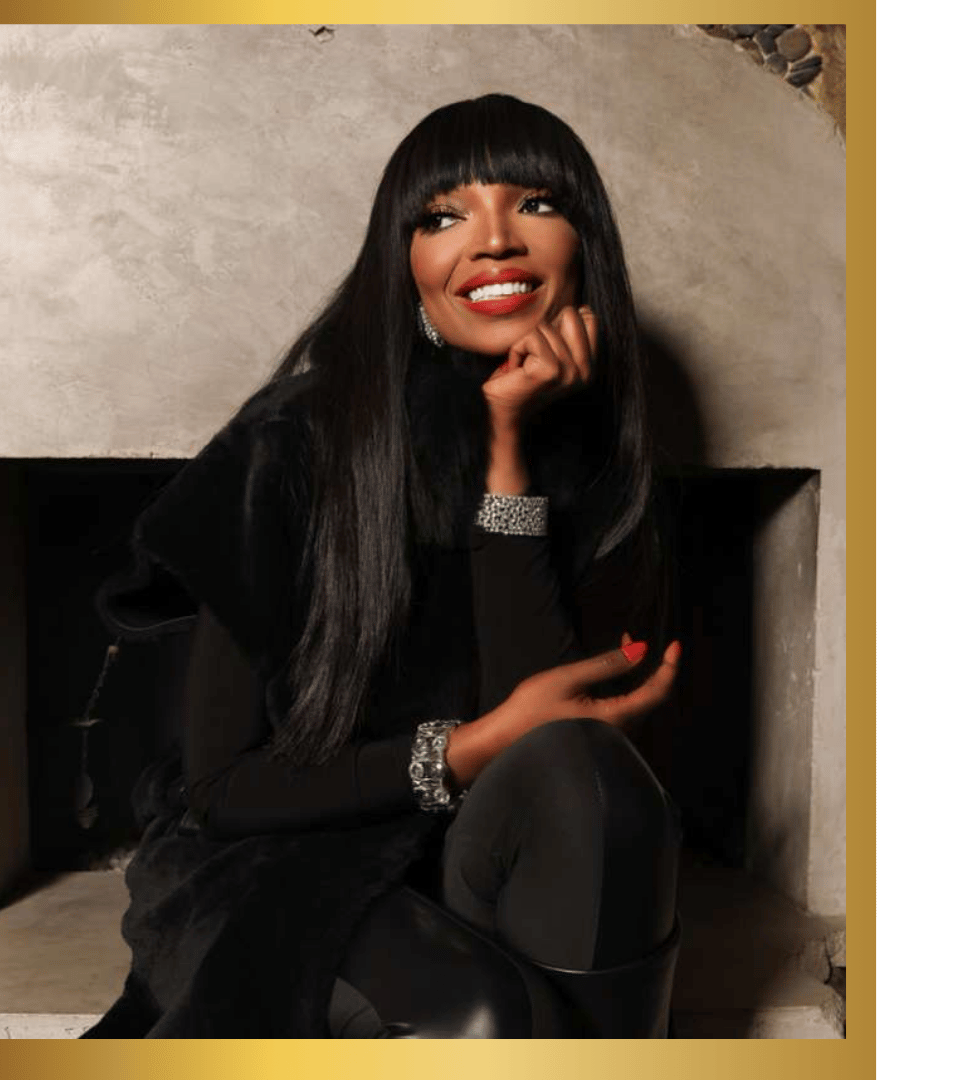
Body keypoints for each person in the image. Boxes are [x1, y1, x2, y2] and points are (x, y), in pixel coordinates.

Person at [83, 93, 683, 1040]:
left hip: (471, 850)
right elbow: (221, 794)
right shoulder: (292, 441)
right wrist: (470, 745)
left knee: (595, 775)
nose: (494, 240)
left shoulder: (605, 450)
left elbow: (555, 749)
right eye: (442, 217)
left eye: (535, 204)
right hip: (269, 858)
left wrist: (508, 456)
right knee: (481, 1015)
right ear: (404, 264)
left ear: (586, 245)